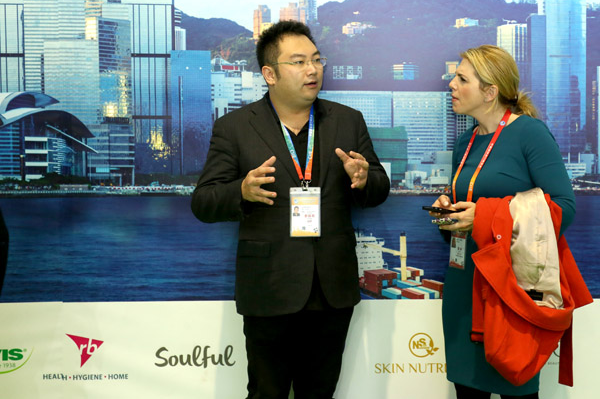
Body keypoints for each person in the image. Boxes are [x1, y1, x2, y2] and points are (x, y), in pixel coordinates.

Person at [191, 20, 390, 399]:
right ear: (270, 74)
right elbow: (203, 201)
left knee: (320, 392)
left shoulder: (347, 121)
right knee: (267, 392)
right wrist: (241, 191)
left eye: (316, 60)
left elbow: (379, 187)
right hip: (269, 285)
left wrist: (365, 179)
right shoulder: (235, 127)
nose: (312, 70)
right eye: (299, 62)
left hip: (331, 286)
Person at [429, 45, 576, 398]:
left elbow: (564, 208)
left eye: (462, 79)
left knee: (516, 388)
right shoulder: (465, 141)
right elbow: (470, 209)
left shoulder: (530, 133)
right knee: (466, 389)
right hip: (464, 285)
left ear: (490, 92)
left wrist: (484, 215)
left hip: (510, 289)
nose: (451, 84)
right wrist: (449, 214)